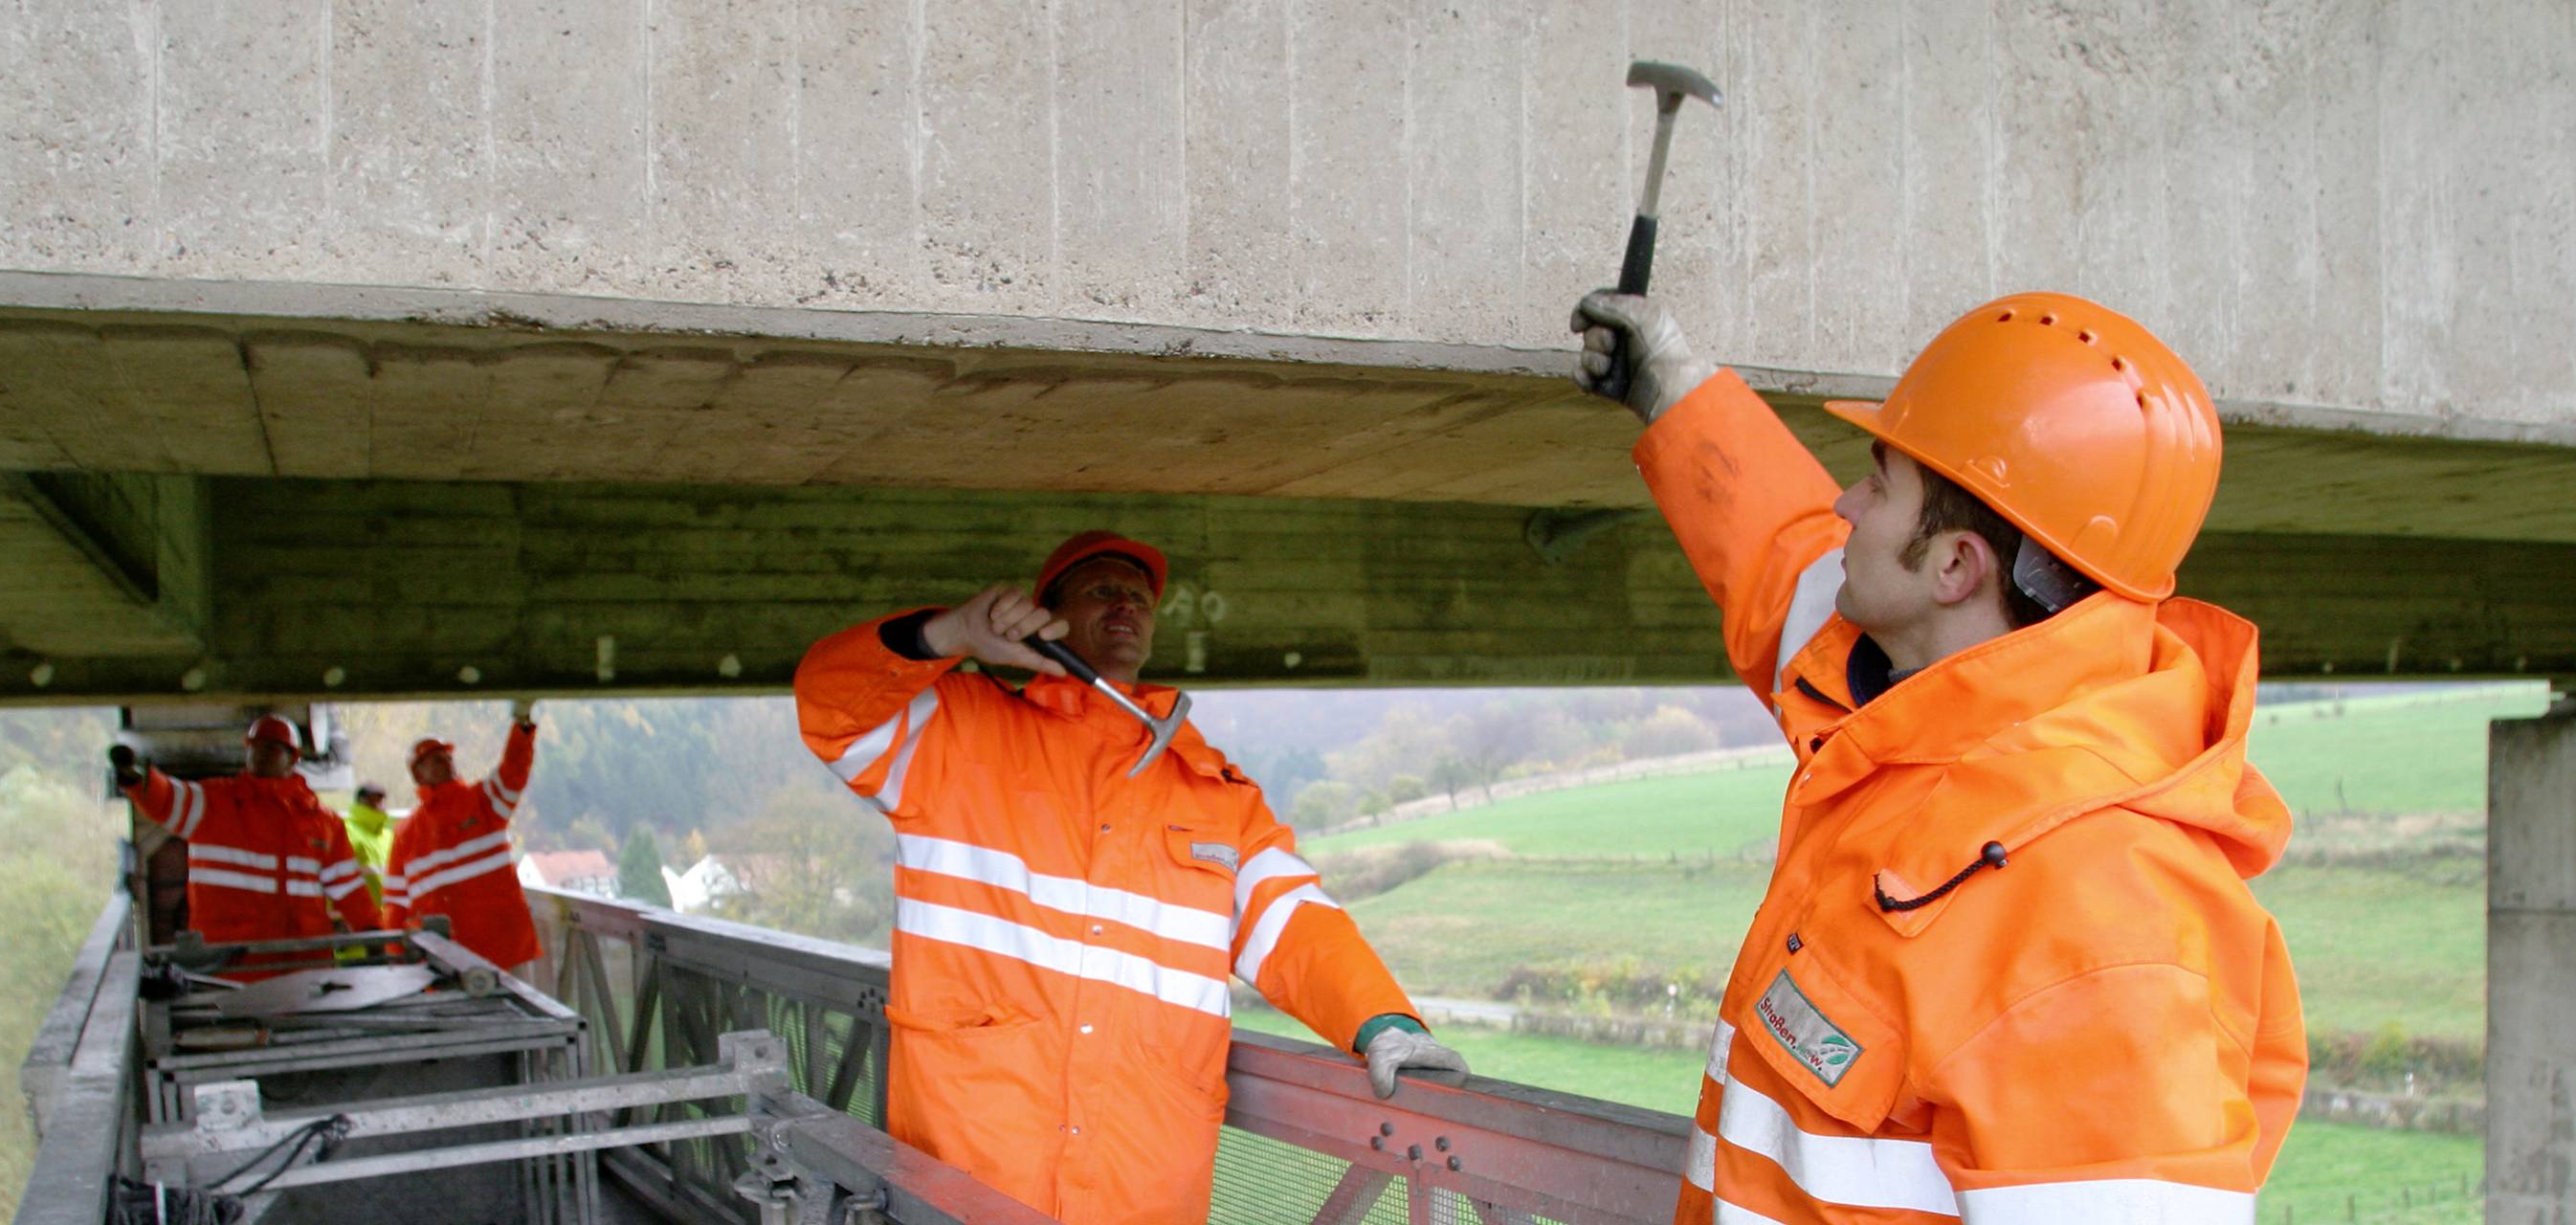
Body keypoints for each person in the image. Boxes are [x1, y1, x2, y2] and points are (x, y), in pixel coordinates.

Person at [1568, 288, 2306, 1222]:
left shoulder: (2103, 921)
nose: (1846, 503)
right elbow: (1786, 560)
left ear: (1956, 567)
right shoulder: (1909, 704)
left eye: (1880, 483)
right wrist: (1673, 389)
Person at [794, 531, 1467, 1224]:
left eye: (1140, 598)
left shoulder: (1217, 793)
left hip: (1145, 1175)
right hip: (970, 1164)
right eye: (1102, 590)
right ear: (1049, 618)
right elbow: (830, 708)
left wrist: (1382, 1021)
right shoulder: (955, 731)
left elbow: (1294, 923)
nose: (1126, 606)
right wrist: (950, 634)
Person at [111, 714, 382, 978]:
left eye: (271, 748)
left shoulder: (323, 822)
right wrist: (135, 778)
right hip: (229, 966)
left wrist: (373, 935)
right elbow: (166, 798)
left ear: (294, 758)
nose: (259, 754)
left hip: (303, 966)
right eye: (254, 747)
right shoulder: (213, 802)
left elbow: (349, 889)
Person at [384, 700, 543, 973]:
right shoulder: (406, 833)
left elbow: (514, 769)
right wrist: (395, 957)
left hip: (502, 949)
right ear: (418, 773)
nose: (447, 763)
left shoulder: (484, 801)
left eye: (448, 757)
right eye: (436, 759)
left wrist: (522, 726)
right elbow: (395, 902)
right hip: (443, 959)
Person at [341, 782, 395, 908]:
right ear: (361, 801)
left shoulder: (388, 836)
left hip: (387, 912)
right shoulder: (346, 833)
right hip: (360, 914)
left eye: (381, 798)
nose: (379, 803)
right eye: (373, 798)